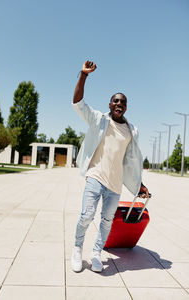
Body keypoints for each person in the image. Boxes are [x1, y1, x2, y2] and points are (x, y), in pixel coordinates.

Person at [71, 60, 149, 273]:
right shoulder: (99, 120)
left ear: (126, 107)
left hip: (115, 185)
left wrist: (139, 185)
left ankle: (96, 253)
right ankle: (77, 248)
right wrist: (83, 75)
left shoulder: (132, 130)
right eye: (115, 101)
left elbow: (130, 161)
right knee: (86, 216)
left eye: (122, 102)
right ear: (109, 104)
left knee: (106, 222)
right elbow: (78, 102)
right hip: (95, 177)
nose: (118, 104)